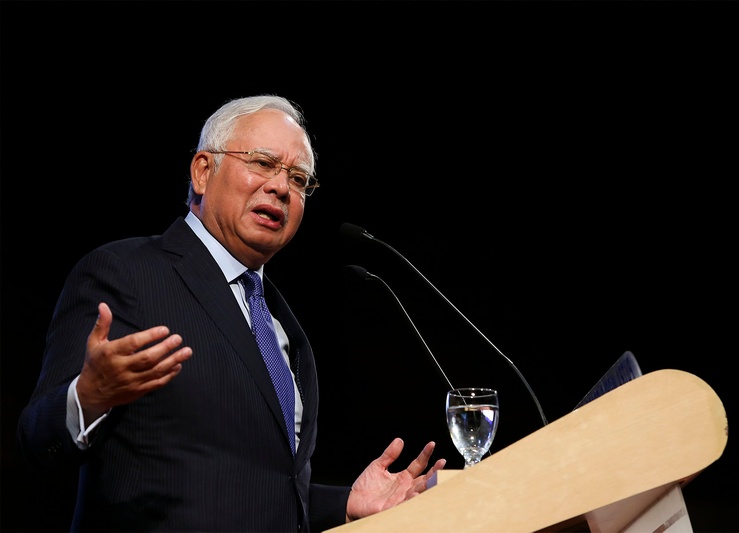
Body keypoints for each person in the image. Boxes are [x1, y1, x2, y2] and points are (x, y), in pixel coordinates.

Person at [17, 94, 446, 532]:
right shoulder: (126, 274)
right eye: (262, 162)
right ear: (204, 171)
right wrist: (88, 397)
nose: (282, 187)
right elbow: (36, 442)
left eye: (299, 179)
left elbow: (251, 488)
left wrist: (346, 506)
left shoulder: (283, 326)